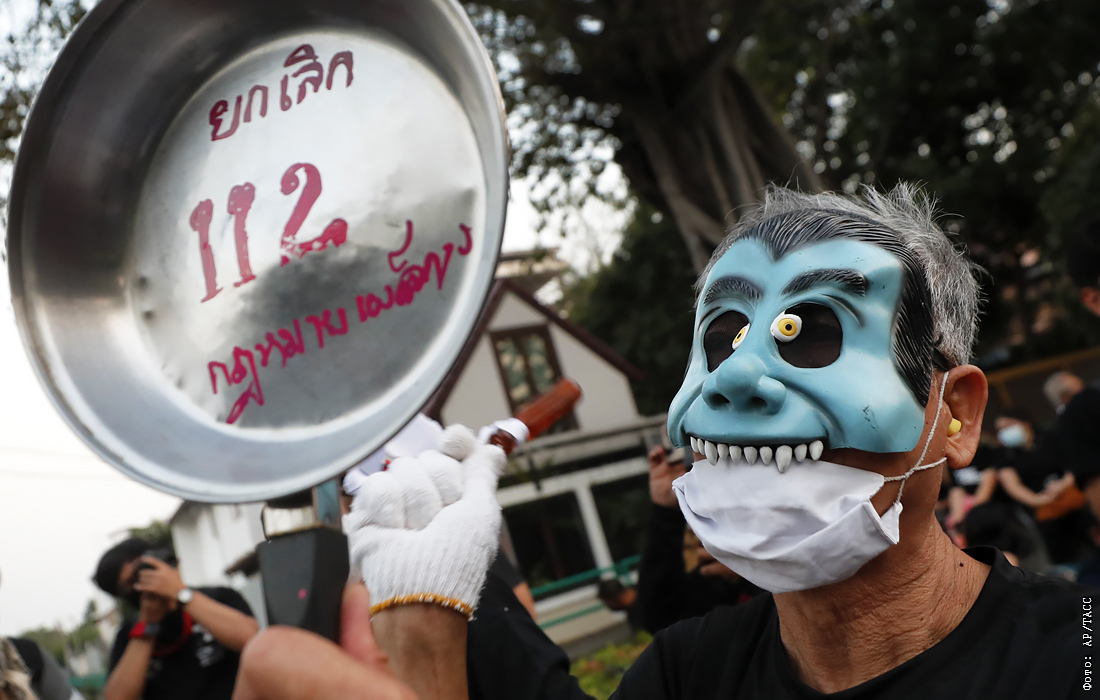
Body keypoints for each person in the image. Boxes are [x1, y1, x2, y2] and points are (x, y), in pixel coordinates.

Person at [238, 185, 1098, 700]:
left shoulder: (1077, 657)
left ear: (956, 415)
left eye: (810, 332)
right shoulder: (685, 677)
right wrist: (428, 628)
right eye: (722, 337)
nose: (734, 377)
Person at [92, 538, 257, 700]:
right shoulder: (129, 635)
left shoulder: (218, 597)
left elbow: (253, 640)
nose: (144, 584)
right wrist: (148, 625)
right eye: (131, 583)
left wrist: (180, 594)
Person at [633, 445, 759, 633]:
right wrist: (666, 511)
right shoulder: (715, 578)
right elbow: (661, 618)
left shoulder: (790, 561)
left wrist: (754, 574)